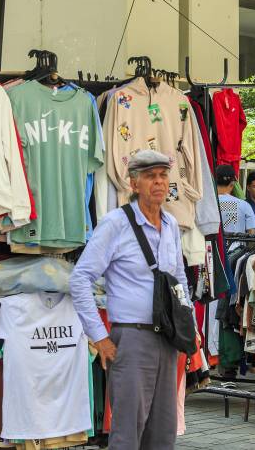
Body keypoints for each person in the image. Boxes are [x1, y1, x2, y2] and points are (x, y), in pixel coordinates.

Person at [69, 150, 190, 450]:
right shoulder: (115, 224)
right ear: (134, 184)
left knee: (163, 432)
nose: (159, 182)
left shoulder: (172, 224)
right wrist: (99, 337)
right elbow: (80, 279)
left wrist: (188, 328)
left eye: (163, 176)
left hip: (168, 340)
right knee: (127, 434)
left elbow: (179, 280)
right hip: (132, 339)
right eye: (151, 176)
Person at [217, 164, 255, 235]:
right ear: (233, 184)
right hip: (237, 245)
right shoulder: (244, 205)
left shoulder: (206, 204)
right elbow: (252, 234)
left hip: (211, 245)